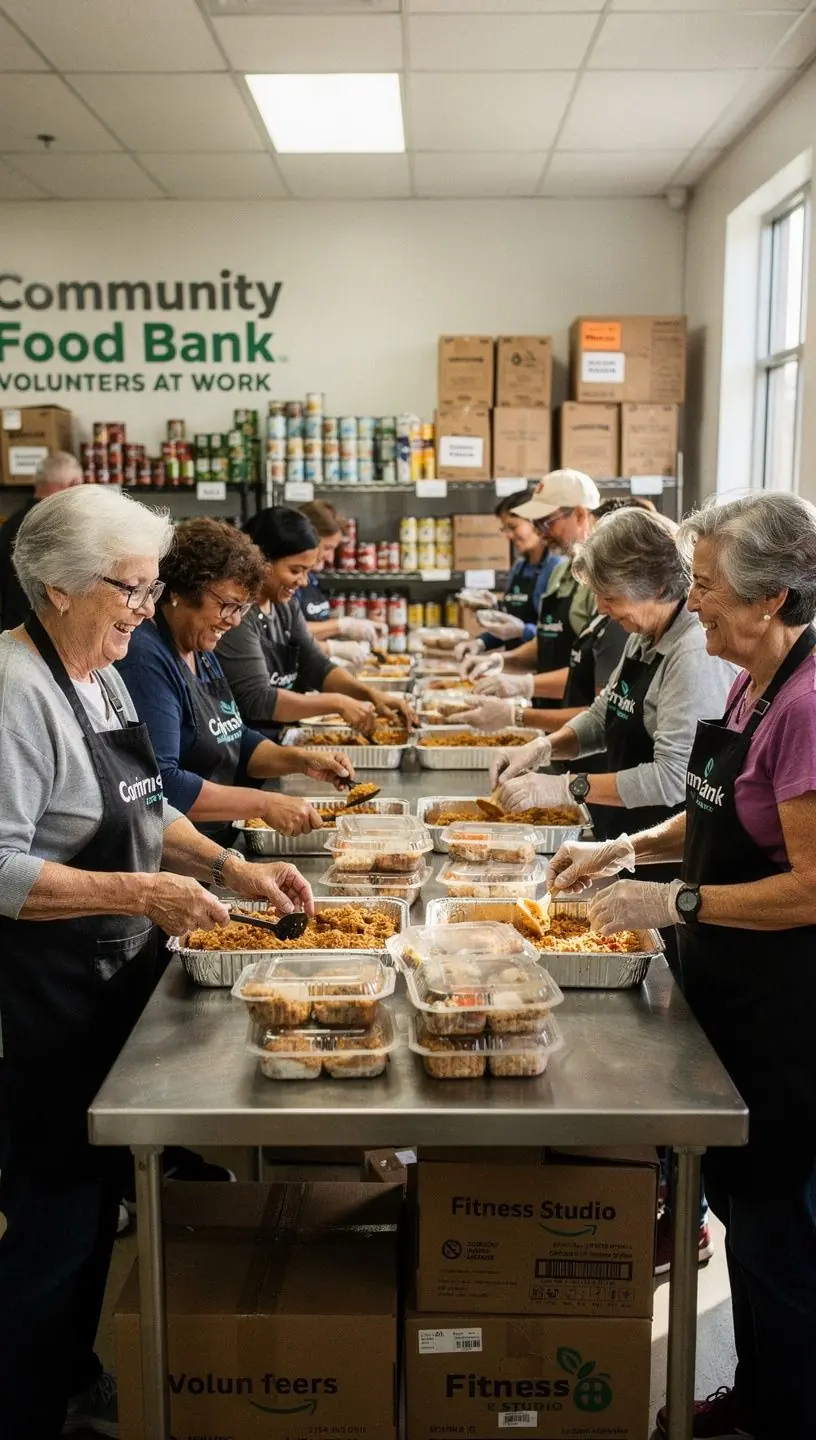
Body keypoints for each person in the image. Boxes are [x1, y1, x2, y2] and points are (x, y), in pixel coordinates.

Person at [0, 487, 315, 1440]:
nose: (144, 611)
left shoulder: (96, 670)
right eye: (131, 590)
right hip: (42, 1000)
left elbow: (144, 803)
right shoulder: (14, 690)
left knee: (96, 1207)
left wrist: (229, 866)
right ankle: (25, 1407)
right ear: (60, 587)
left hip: (109, 985)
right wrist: (139, 892)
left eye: (148, 591)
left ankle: (70, 1377)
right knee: (53, 1222)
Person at [548, 493, 816, 1440]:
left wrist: (677, 903)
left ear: (773, 596)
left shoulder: (809, 708)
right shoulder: (751, 682)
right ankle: (761, 1390)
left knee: (783, 1232)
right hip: (731, 995)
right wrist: (630, 850)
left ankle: (790, 1413)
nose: (692, 602)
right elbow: (711, 808)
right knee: (746, 1214)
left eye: (705, 585)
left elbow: (812, 887)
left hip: (789, 1016)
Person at [117, 517, 356, 847]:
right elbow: (162, 785)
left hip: (215, 840)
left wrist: (301, 760)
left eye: (242, 608)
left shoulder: (199, 647)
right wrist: (264, 804)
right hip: (174, 853)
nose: (234, 621)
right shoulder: (146, 660)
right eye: (227, 605)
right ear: (180, 591)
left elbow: (233, 737)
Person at [217, 506, 414, 732]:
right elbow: (258, 699)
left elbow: (318, 666)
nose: (303, 581)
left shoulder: (285, 607)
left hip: (281, 734)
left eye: (307, 571)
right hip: (247, 742)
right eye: (295, 570)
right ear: (261, 562)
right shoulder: (238, 617)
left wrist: (371, 694)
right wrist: (337, 703)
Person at [456, 499, 640, 735]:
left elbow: (604, 715)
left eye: (547, 522)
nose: (541, 531)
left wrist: (519, 703)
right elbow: (550, 643)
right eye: (536, 523)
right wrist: (501, 659)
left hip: (576, 725)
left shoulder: (624, 625)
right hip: (561, 721)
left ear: (580, 515)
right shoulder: (558, 572)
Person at [456, 489, 561, 656]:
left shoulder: (556, 568)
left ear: (536, 522)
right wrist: (481, 642)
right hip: (515, 661)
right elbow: (507, 627)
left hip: (542, 663)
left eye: (513, 527)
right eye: (505, 529)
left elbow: (558, 635)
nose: (508, 536)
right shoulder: (519, 567)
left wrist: (523, 631)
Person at [295, 499, 385, 665]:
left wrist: (352, 629)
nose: (330, 558)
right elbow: (288, 631)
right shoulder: (290, 583)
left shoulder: (312, 578)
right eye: (327, 548)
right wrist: (340, 628)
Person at [0, 449, 82, 629]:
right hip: (49, 636)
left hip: (10, 635)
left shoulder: (10, 525)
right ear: (74, 484)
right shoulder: (65, 529)